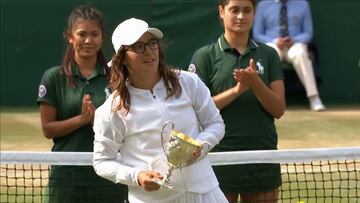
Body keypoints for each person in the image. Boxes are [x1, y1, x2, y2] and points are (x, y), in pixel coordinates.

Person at [92, 18, 228, 203]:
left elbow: (215, 124)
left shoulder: (189, 82)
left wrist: (200, 145)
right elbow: (102, 162)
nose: (148, 51)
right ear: (122, 58)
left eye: (152, 43)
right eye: (138, 46)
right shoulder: (110, 110)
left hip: (205, 192)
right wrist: (137, 176)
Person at [189, 0, 285, 202]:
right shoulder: (204, 56)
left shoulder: (269, 55)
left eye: (247, 10)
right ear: (222, 12)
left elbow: (278, 109)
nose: (241, 16)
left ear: (254, 14)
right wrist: (238, 90)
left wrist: (255, 83)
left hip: (263, 155)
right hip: (219, 156)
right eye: (234, 10)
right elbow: (198, 110)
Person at [37, 5, 128, 203]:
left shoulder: (116, 77)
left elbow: (129, 123)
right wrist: (82, 119)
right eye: (81, 34)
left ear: (102, 36)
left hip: (108, 173)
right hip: (65, 173)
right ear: (70, 36)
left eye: (94, 34)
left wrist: (101, 120)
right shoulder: (54, 77)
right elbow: (47, 129)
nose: (88, 40)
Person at [253, 0, 325, 111]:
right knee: (271, 52)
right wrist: (275, 41)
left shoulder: (303, 4)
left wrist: (294, 40)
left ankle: (314, 98)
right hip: (272, 44)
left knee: (300, 53)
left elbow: (308, 32)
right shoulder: (263, 5)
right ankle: (265, 100)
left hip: (295, 44)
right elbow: (257, 34)